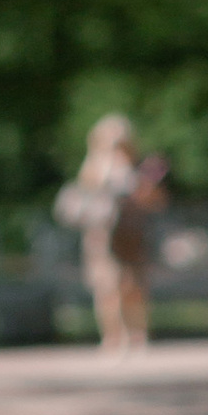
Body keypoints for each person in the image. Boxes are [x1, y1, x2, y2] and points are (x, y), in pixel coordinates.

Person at [54, 115, 162, 354]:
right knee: (107, 289)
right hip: (102, 239)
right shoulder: (93, 167)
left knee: (134, 288)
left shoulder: (137, 168)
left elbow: (153, 200)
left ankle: (137, 334)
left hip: (132, 236)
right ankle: (113, 336)